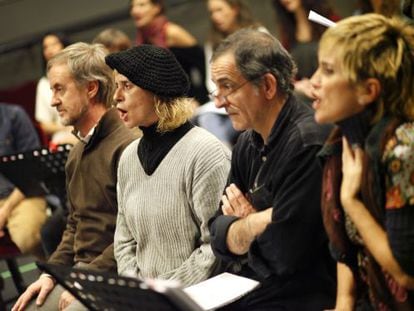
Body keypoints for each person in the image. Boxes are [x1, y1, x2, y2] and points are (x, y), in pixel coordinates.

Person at [208, 28, 335, 310]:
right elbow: (216, 231)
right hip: (258, 289)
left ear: (267, 86)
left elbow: (284, 254)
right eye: (216, 89)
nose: (218, 102)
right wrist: (256, 221)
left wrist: (239, 230)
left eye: (227, 86)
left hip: (303, 296)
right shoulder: (246, 143)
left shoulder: (306, 143)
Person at [12, 42, 138, 311]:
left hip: (117, 272)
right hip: (84, 272)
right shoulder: (76, 152)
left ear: (90, 88)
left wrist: (86, 277)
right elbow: (74, 224)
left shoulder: (128, 145)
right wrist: (52, 273)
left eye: (60, 89)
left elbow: (136, 236)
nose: (54, 100)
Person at [310, 13, 414, 310]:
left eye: (328, 71)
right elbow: (348, 253)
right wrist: (343, 305)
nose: (313, 81)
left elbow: (406, 274)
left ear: (368, 90)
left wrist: (351, 202)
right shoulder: (339, 142)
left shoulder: (404, 148)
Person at [105, 44, 231, 286]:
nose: (116, 96)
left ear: (157, 92)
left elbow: (214, 246)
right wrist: (138, 290)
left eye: (127, 86)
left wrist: (163, 294)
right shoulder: (128, 158)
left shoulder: (205, 152)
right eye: (116, 86)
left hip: (196, 298)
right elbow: (124, 242)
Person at [197, 0, 266, 147]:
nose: (215, 16)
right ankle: (226, 160)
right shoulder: (213, 41)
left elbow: (265, 71)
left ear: (234, 8)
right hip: (225, 103)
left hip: (252, 98)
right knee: (206, 118)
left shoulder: (258, 34)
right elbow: (211, 81)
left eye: (219, 10)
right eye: (212, 12)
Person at [130, 0, 209, 104]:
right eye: (132, 7)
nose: (135, 11)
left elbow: (204, 66)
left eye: (142, 5)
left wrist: (199, 100)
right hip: (162, 103)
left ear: (156, 8)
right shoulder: (141, 39)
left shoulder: (172, 33)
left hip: (186, 102)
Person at [0, 103, 47, 260]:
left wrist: (4, 211)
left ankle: (46, 276)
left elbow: (32, 173)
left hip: (22, 195)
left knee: (26, 238)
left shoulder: (14, 116)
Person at [272, 0, 339, 103]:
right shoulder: (287, 30)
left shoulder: (326, 18)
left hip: (333, 86)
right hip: (308, 94)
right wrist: (298, 84)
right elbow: (285, 67)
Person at [35, 32, 77, 146]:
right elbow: (44, 124)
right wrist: (65, 129)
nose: (49, 50)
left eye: (54, 44)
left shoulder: (79, 72)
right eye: (45, 47)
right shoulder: (43, 84)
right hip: (63, 138)